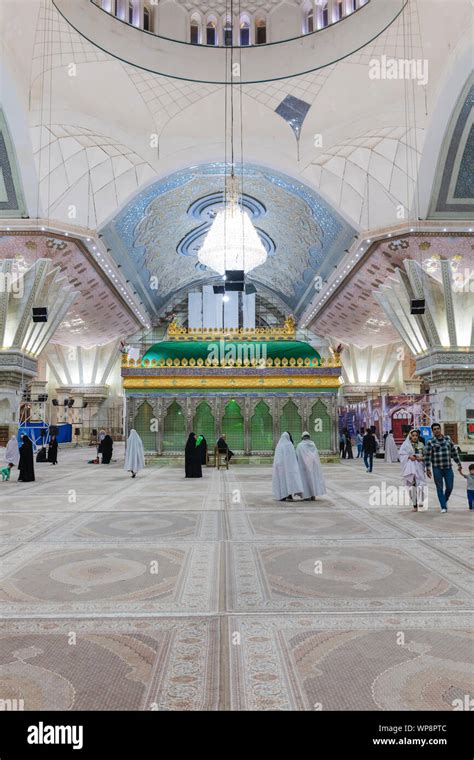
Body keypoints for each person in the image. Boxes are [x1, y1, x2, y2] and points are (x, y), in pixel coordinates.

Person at [424, 423, 463, 513]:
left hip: (448, 467)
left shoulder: (447, 439)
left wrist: (459, 464)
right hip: (437, 468)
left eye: (438, 428)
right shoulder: (430, 441)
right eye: (434, 429)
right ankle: (443, 506)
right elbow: (427, 456)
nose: (437, 430)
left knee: (450, 487)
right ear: (432, 431)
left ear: (440, 429)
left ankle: (444, 500)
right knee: (439, 487)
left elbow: (454, 452)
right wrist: (428, 469)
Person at [399, 429, 427, 511]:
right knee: (412, 486)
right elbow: (401, 454)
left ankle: (421, 502)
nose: (415, 437)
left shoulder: (421, 445)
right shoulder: (406, 445)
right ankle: (415, 505)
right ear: (410, 436)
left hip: (419, 467)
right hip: (410, 468)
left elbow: (426, 456)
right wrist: (408, 457)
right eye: (413, 435)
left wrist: (421, 458)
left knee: (421, 485)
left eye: (416, 435)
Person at [272, 431, 303, 502]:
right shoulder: (289, 445)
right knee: (289, 481)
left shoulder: (279, 445)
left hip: (280, 468)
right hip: (289, 467)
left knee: (282, 481)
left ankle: (282, 495)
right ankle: (289, 495)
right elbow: (293, 457)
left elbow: (277, 458)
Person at [296, 432, 326, 501]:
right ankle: (313, 495)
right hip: (313, 466)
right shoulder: (313, 445)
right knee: (313, 480)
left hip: (303, 467)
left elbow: (297, 456)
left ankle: (306, 496)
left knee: (305, 481)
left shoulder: (300, 445)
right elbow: (316, 457)